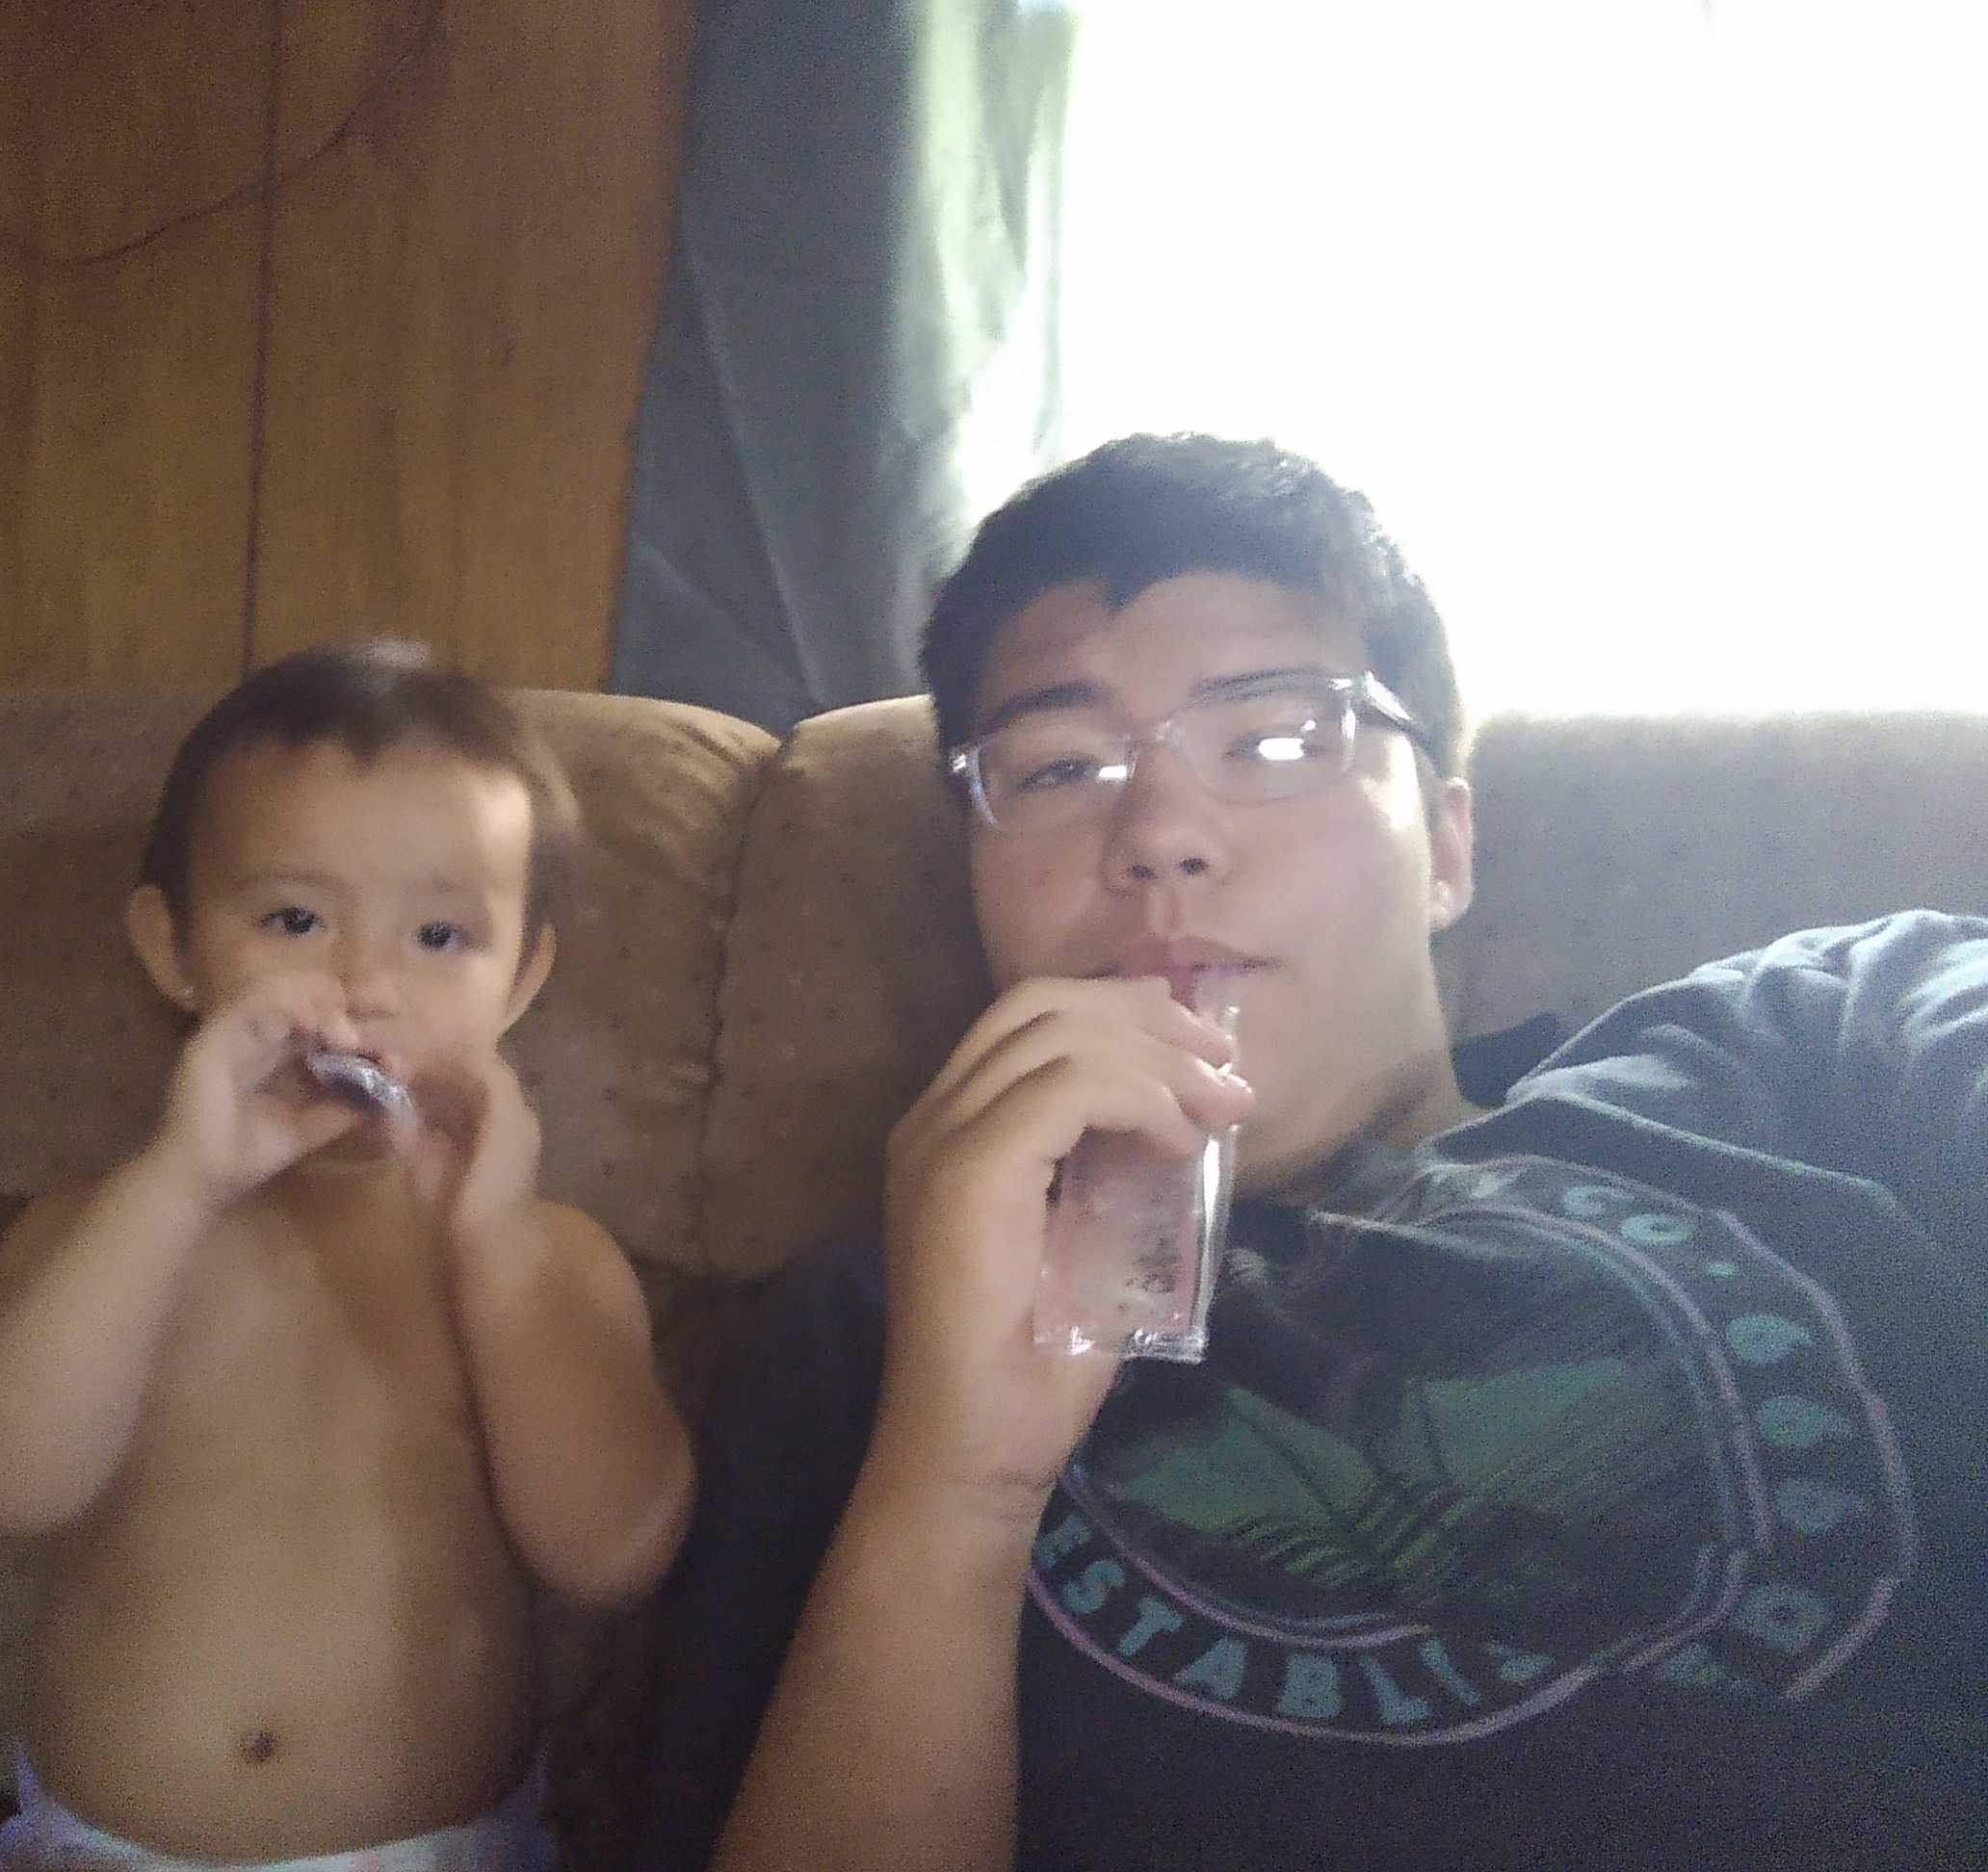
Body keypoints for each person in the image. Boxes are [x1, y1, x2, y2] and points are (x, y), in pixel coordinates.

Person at [637, 433, 1987, 1869]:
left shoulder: (1819, 1036)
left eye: (1278, 740)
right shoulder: (874, 1324)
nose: (1162, 835)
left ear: (1446, 846)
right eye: (1059, 767)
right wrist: (955, 1483)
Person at [0, 642, 695, 1872]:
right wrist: (177, 1184)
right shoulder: (102, 1229)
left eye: (439, 933)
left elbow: (613, 1557)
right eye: (295, 918)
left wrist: (495, 1247)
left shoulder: (551, 1259)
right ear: (176, 949)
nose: (363, 983)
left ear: (521, 979)